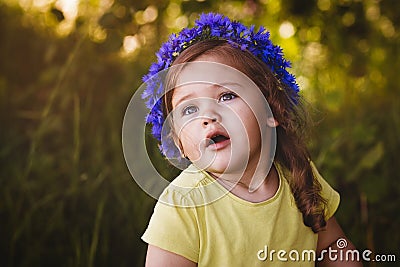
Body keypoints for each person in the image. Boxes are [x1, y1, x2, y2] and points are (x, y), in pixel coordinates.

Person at [140, 13, 362, 266]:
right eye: (189, 110)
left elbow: (333, 247)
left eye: (226, 96)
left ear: (272, 111)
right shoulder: (183, 205)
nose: (209, 116)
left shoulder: (297, 174)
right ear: (180, 143)